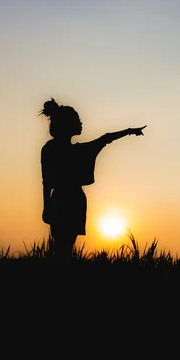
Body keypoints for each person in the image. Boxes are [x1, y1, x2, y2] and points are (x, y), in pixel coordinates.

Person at [39, 97, 146, 260]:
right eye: (78, 120)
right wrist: (130, 131)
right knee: (65, 247)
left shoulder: (50, 148)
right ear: (68, 125)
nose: (81, 123)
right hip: (72, 200)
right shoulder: (78, 151)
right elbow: (106, 138)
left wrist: (47, 206)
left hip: (61, 199)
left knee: (62, 247)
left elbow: (47, 182)